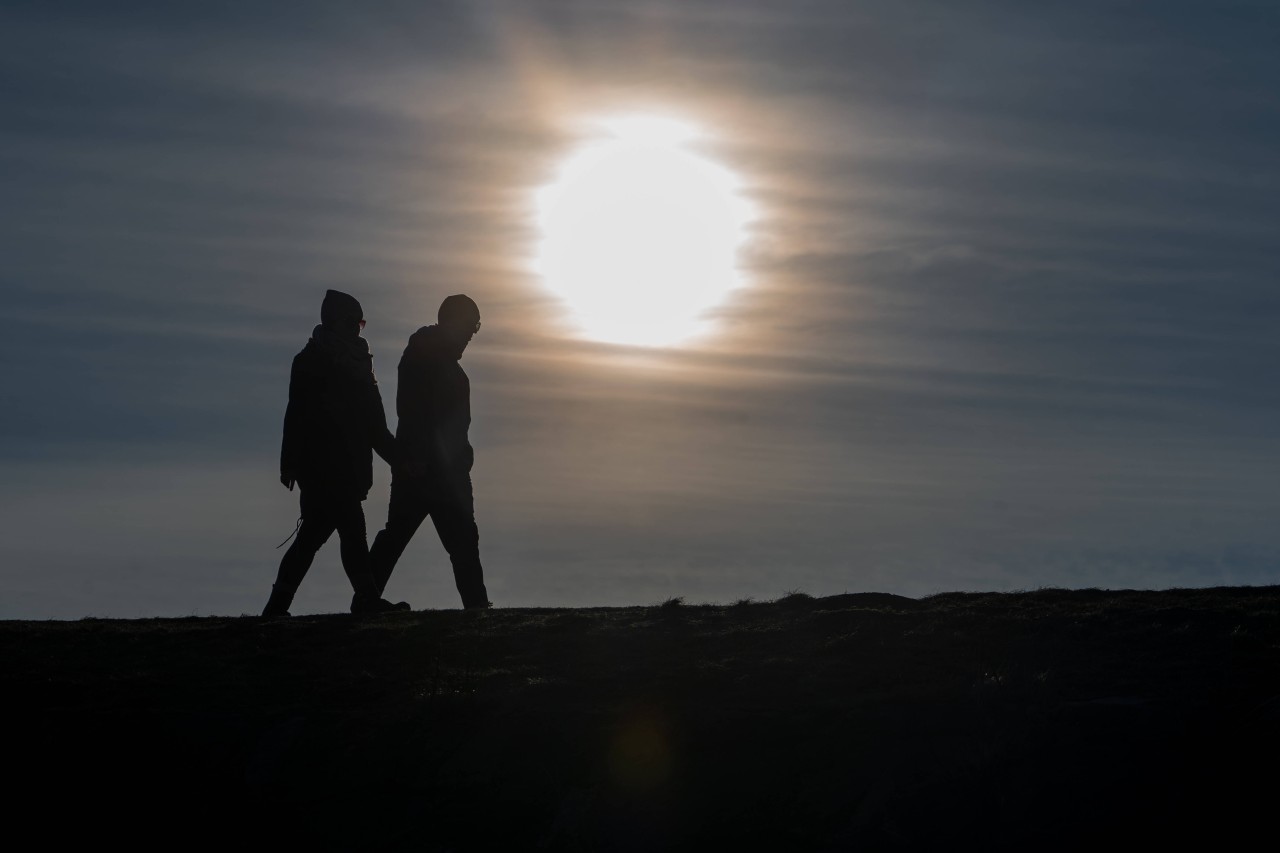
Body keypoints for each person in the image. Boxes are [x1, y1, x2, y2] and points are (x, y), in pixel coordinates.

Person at [262, 289, 410, 617]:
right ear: (333, 322)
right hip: (320, 468)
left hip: (350, 467)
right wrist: (290, 464)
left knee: (312, 537)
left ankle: (276, 607)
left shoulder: (361, 366)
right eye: (352, 321)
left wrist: (401, 460)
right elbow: (296, 414)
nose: (358, 328)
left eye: (361, 322)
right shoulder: (310, 362)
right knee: (351, 529)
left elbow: (375, 428)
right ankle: (368, 602)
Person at [368, 294, 492, 610]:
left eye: (474, 328)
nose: (470, 335)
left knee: (458, 542)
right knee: (408, 537)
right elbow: (416, 414)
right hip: (424, 471)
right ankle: (366, 599)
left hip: (437, 471)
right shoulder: (424, 356)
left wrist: (461, 457)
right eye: (469, 326)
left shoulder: (446, 368)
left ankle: (477, 609)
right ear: (453, 323)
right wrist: (425, 460)